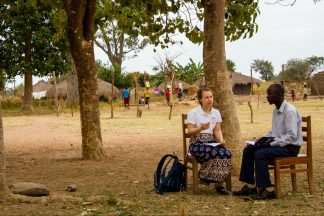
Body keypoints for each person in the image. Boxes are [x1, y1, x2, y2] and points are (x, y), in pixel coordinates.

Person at [233, 83, 303, 200]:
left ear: (279, 95)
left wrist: (270, 143)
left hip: (290, 148)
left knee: (260, 154)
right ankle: (251, 186)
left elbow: (291, 136)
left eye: (269, 94)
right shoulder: (276, 110)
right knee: (249, 149)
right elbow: (275, 133)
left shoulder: (289, 111)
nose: (267, 97)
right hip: (281, 145)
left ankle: (267, 190)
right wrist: (262, 139)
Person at [187, 87, 232, 195]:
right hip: (196, 144)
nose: (209, 99)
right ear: (200, 99)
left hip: (211, 142)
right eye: (206, 97)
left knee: (227, 154)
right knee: (214, 152)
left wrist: (221, 140)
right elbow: (190, 131)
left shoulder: (216, 112)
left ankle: (219, 185)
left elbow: (217, 130)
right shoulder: (193, 112)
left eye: (211, 97)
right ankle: (203, 177)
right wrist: (200, 128)